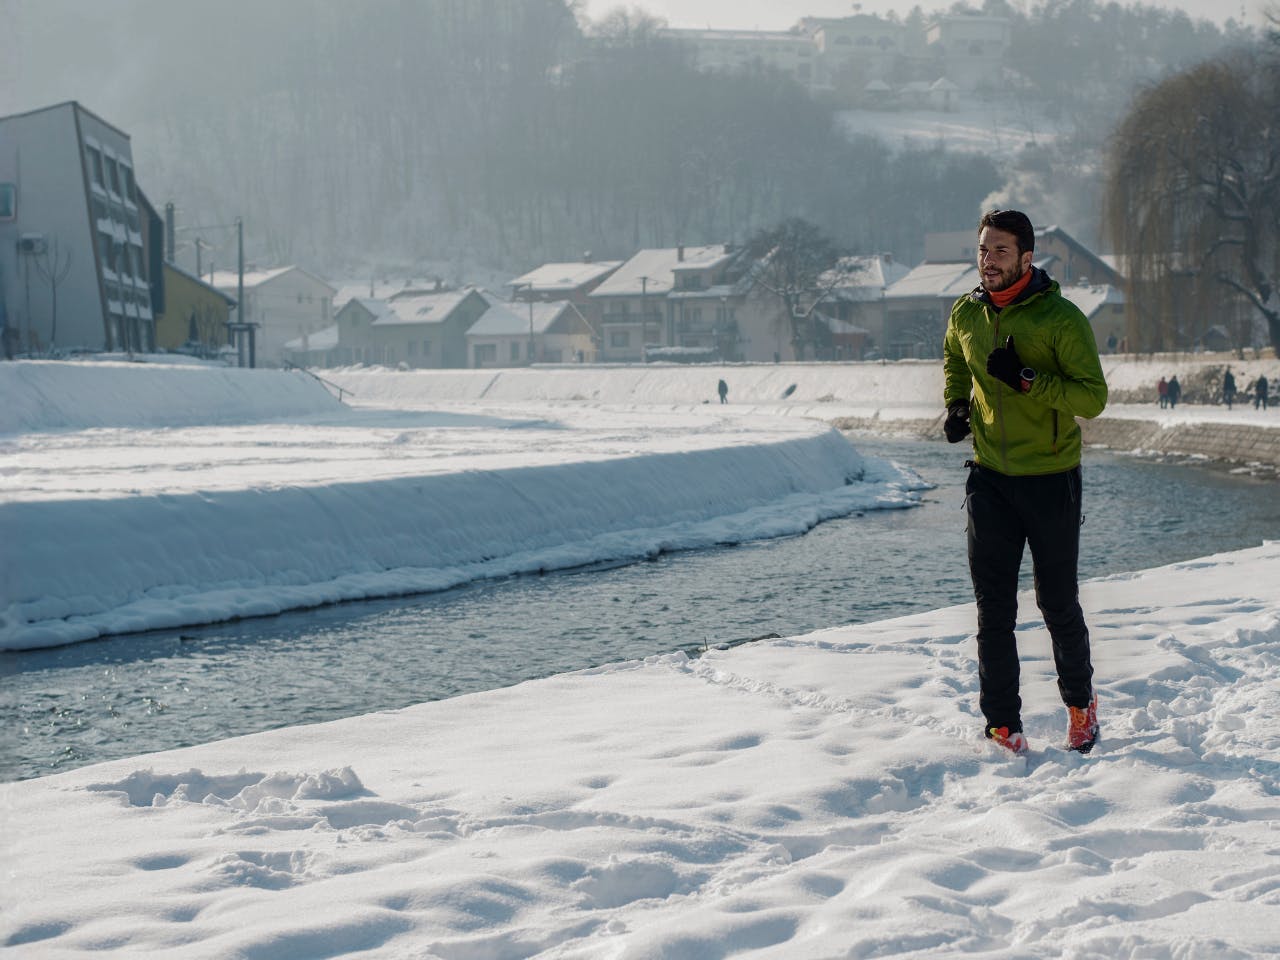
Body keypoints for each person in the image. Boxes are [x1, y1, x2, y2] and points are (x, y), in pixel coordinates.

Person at [942, 209, 1108, 756]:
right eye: (983, 250)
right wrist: (956, 405)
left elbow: (1092, 398)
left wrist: (1027, 379)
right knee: (994, 610)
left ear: (1027, 258)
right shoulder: (966, 313)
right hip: (990, 479)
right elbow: (955, 360)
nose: (988, 261)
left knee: (1057, 602)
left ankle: (1081, 707)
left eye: (1000, 252)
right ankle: (1002, 726)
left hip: (1051, 477)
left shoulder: (1061, 319)